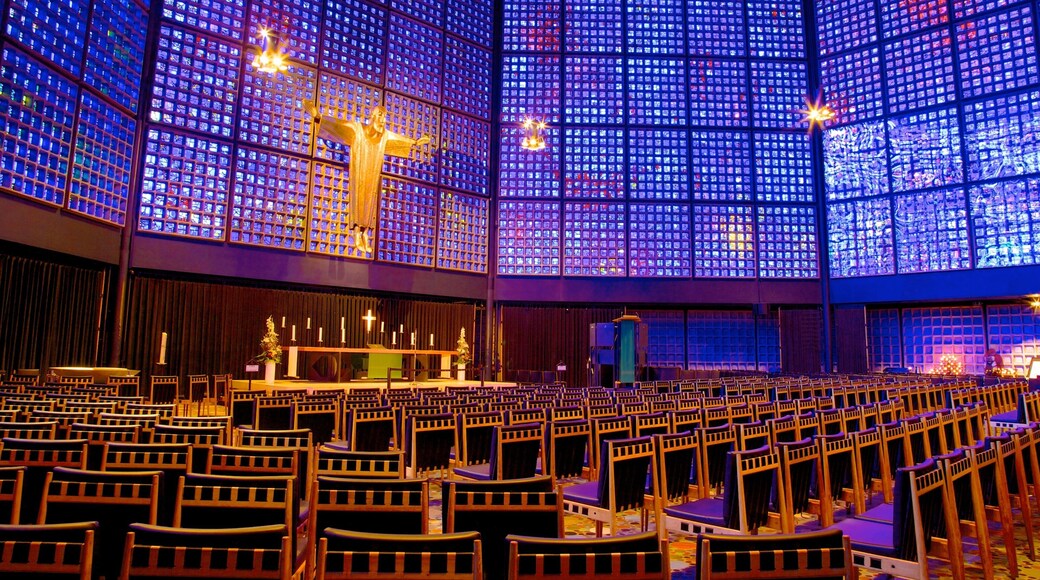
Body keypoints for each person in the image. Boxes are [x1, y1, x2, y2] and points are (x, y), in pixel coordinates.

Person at [307, 102, 430, 253]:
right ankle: (357, 231)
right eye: (380, 116)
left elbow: (400, 140)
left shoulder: (384, 136)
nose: (383, 120)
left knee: (371, 198)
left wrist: (415, 142)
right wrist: (319, 116)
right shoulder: (357, 129)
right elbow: (339, 125)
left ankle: (366, 233)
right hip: (359, 169)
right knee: (358, 195)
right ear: (372, 116)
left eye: (385, 117)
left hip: (373, 171)